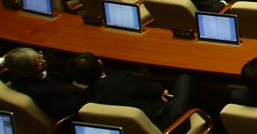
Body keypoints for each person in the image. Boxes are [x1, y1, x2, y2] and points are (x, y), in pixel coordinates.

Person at [63, 54, 194, 129]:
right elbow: (152, 90)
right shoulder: (121, 79)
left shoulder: (84, 102)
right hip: (167, 126)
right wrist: (160, 91)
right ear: (100, 63)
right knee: (184, 77)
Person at [2, 47, 80, 125]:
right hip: (73, 109)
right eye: (38, 62)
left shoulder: (17, 72)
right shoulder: (40, 93)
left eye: (40, 57)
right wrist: (86, 96)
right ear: (26, 71)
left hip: (65, 88)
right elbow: (61, 111)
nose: (43, 61)